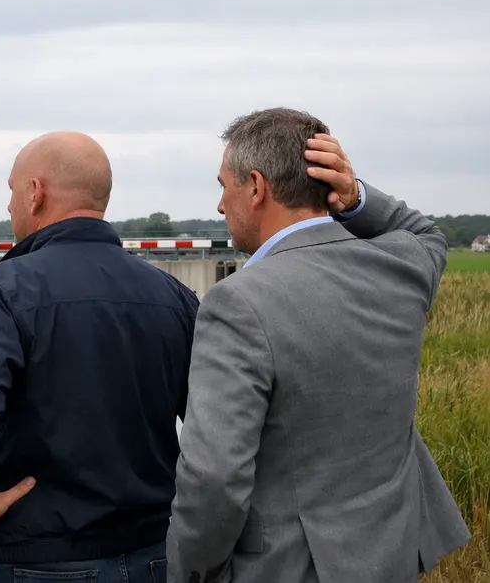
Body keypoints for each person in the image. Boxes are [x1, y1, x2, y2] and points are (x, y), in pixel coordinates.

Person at [166, 108, 471, 583]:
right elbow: (426, 232)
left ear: (256, 186)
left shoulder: (238, 303)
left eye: (224, 185)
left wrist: (190, 573)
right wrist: (355, 196)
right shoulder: (401, 268)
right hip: (391, 561)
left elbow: (214, 480)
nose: (221, 206)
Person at [0, 131, 200, 583]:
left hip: (36, 561)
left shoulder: (4, 290)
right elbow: (215, 424)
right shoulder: (173, 297)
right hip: (158, 557)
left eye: (12, 191)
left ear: (36, 193)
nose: (9, 207)